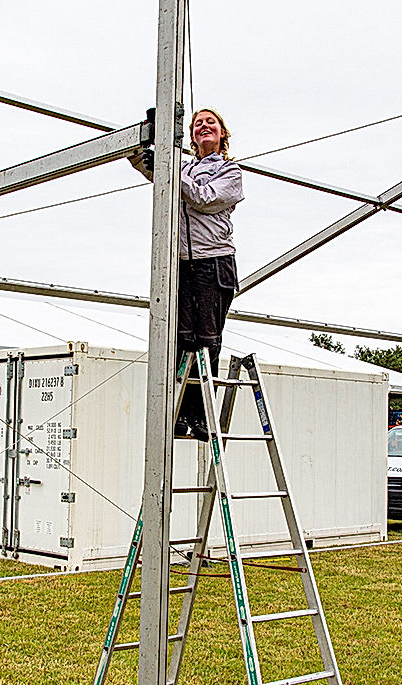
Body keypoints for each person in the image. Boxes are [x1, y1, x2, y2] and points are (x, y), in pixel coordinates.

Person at [132, 108, 244, 441]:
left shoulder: (230, 171)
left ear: (222, 133)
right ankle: (182, 413)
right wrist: (149, 141)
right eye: (198, 125)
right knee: (182, 339)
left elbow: (202, 198)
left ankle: (201, 415)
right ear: (192, 136)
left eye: (211, 123)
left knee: (206, 340)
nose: (204, 127)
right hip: (182, 262)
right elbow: (150, 169)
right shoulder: (181, 165)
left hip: (214, 262)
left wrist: (166, 167)